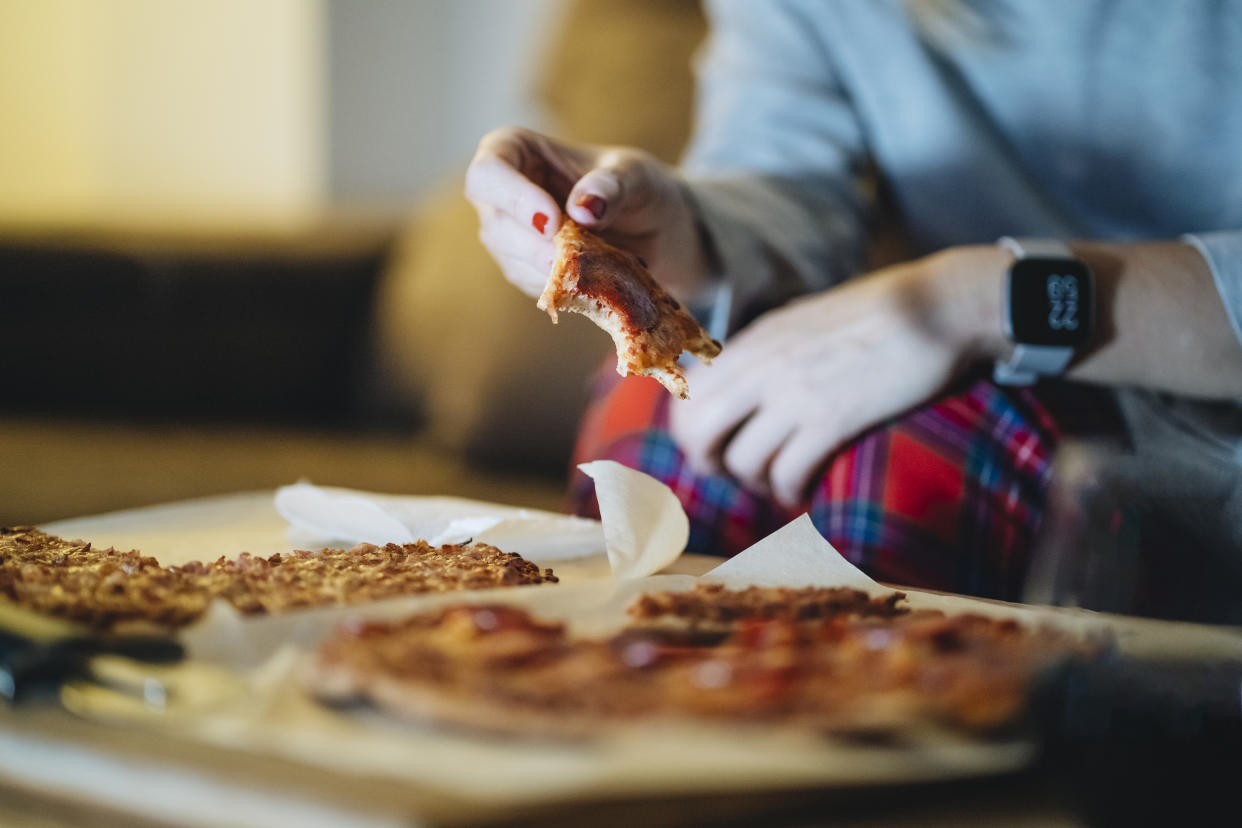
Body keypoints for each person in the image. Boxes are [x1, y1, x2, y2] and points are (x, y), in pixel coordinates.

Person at [465, 0, 1242, 602]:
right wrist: (680, 232)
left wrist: (971, 301)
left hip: (1201, 394)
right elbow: (783, 182)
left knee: (903, 475)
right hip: (982, 357)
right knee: (649, 425)